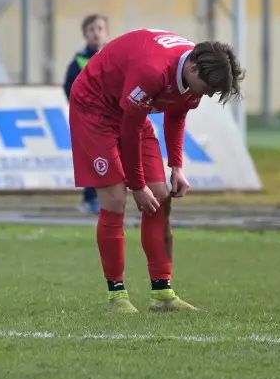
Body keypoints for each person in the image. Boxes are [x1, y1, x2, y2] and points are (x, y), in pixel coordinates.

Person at [70, 28, 244, 314]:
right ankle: (117, 296)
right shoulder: (153, 70)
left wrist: (176, 166)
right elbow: (129, 130)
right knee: (115, 199)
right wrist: (137, 187)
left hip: (131, 111)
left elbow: (178, 112)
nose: (210, 94)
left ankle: (163, 294)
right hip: (95, 106)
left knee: (161, 196)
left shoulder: (197, 69)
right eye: (210, 88)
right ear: (192, 67)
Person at [62, 13, 109, 214]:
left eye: (100, 29)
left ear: (106, 33)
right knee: (92, 158)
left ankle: (108, 197)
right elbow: (69, 87)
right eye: (91, 30)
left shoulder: (112, 56)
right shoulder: (80, 60)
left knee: (110, 158)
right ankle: (90, 198)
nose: (96, 33)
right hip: (89, 119)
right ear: (85, 34)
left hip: (110, 118)